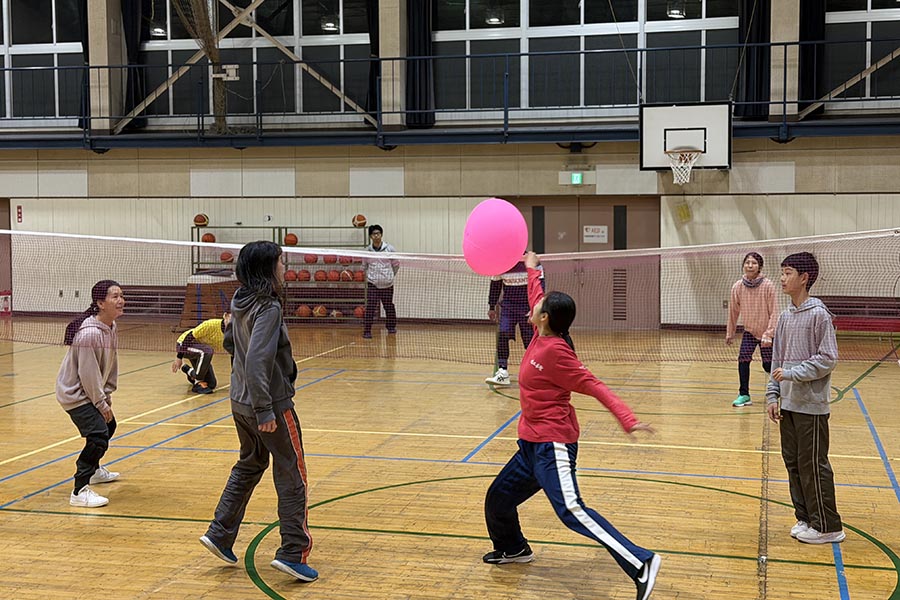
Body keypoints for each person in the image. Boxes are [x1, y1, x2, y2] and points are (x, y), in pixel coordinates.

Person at [482, 252, 661, 600]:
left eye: (539, 307)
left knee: (572, 510)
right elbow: (536, 294)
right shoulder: (540, 332)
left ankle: (642, 562)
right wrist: (533, 268)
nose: (533, 305)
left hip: (553, 445)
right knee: (499, 499)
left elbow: (594, 385)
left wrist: (627, 420)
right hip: (530, 445)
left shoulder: (557, 352)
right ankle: (514, 548)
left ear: (545, 318)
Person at [199, 241, 317, 582]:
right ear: (268, 268)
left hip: (239, 402)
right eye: (280, 262)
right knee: (292, 474)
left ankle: (220, 533)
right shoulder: (268, 308)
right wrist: (265, 409)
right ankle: (293, 552)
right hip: (270, 406)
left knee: (250, 464)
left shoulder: (239, 300)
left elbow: (231, 343)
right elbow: (257, 359)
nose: (284, 267)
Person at [766, 252, 844, 544]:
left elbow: (827, 358)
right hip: (787, 404)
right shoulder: (786, 317)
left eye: (788, 272)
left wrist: (793, 374)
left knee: (813, 465)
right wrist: (773, 394)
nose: (782, 278)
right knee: (793, 463)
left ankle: (828, 526)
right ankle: (806, 518)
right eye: (782, 272)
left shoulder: (819, 315)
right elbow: (777, 359)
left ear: (804, 278)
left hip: (811, 406)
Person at [56, 280, 125, 508]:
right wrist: (100, 403)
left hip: (90, 391)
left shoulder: (111, 327)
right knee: (98, 435)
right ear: (100, 303)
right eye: (115, 296)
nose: (121, 300)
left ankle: (94, 471)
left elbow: (109, 365)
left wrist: (107, 396)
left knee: (109, 426)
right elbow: (88, 374)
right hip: (75, 393)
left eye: (121, 296)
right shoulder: (89, 335)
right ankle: (79, 490)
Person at [726, 252, 778, 407]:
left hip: (767, 334)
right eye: (747, 262)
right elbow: (733, 311)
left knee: (768, 365)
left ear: (759, 266)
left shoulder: (768, 285)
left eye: (754, 263)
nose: (750, 265)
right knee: (743, 360)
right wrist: (730, 332)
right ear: (743, 265)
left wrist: (769, 333)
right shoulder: (737, 287)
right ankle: (744, 394)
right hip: (749, 332)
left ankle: (779, 389)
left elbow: (774, 312)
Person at [485, 259, 543, 386]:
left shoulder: (533, 262)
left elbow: (540, 287)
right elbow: (495, 286)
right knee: (503, 334)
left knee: (530, 340)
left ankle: (535, 371)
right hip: (508, 307)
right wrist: (491, 307)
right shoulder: (501, 263)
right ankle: (503, 372)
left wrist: (535, 309)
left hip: (527, 307)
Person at [172, 312, 231, 394]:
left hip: (201, 352)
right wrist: (179, 357)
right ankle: (197, 383)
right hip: (184, 345)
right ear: (225, 316)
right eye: (230, 318)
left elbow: (234, 354)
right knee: (208, 351)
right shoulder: (211, 324)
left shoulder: (233, 334)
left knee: (211, 384)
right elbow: (189, 336)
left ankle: (189, 371)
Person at [362, 224, 399, 339]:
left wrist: (389, 276)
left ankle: (391, 327)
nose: (376, 236)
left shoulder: (390, 249)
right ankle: (367, 331)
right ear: (370, 236)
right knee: (370, 307)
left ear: (381, 235)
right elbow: (364, 266)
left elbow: (396, 265)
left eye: (378, 233)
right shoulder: (367, 251)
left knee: (388, 306)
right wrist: (370, 277)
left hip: (387, 284)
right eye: (374, 234)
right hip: (373, 284)